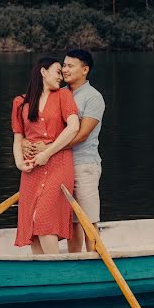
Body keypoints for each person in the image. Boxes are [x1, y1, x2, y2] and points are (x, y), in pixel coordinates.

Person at [24, 49, 105, 253]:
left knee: (87, 219)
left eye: (70, 66)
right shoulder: (58, 92)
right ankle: (75, 262)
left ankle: (94, 260)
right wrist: (26, 143)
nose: (65, 70)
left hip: (84, 164)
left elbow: (81, 135)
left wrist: (48, 149)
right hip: (57, 165)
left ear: (84, 70)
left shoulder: (93, 98)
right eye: (63, 66)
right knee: (72, 222)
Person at [11, 57, 80, 254]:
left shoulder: (64, 96)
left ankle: (56, 268)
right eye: (58, 72)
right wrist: (19, 163)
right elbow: (18, 138)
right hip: (32, 168)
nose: (61, 77)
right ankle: (42, 271)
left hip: (59, 162)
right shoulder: (20, 103)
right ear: (43, 72)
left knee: (43, 216)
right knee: (32, 222)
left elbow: (74, 127)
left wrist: (48, 153)